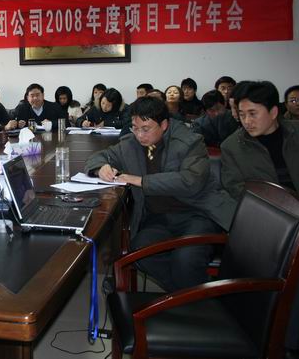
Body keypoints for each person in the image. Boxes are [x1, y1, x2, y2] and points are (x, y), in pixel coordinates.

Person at [84, 97, 236, 292]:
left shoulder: (189, 141)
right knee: (140, 251)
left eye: (145, 129)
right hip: (158, 218)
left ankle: (196, 301)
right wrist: (101, 167)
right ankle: (191, 295)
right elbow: (98, 157)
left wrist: (141, 180)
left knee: (186, 260)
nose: (139, 135)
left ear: (164, 125)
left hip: (196, 214)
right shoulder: (131, 144)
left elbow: (190, 181)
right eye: (134, 128)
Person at [220, 81, 299, 359]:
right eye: (241, 114)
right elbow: (237, 190)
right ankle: (286, 344)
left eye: (253, 113)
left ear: (273, 111)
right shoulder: (232, 146)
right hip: (271, 223)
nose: (246, 121)